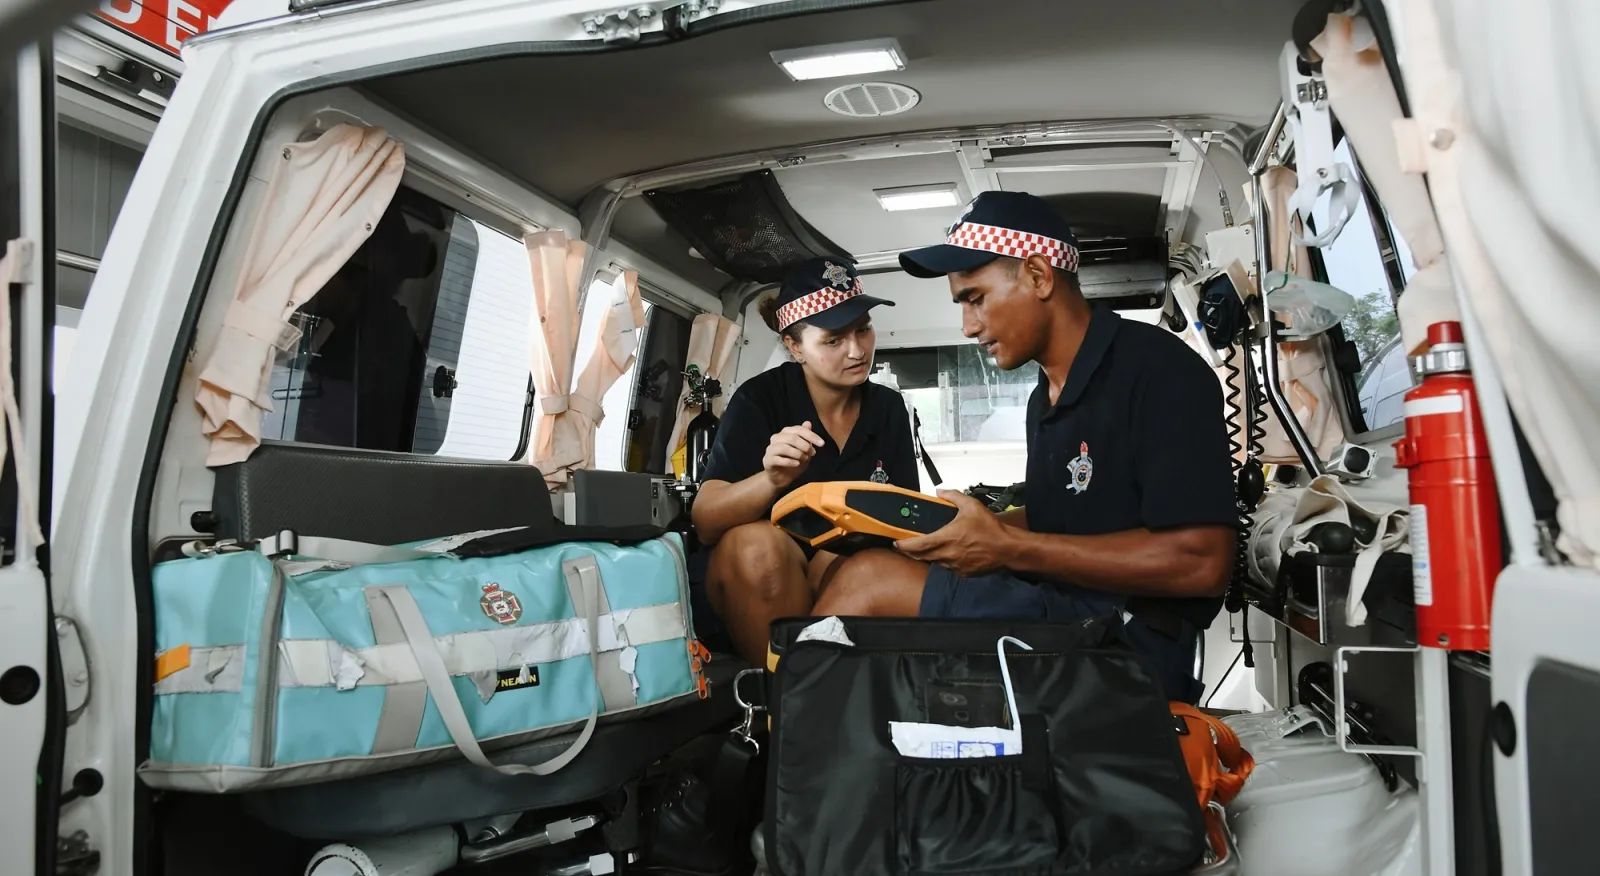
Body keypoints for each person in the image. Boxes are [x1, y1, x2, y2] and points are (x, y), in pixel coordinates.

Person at [812, 191, 1238, 703]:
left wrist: (1006, 547)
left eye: (975, 298)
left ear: (1038, 276)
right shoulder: (1047, 397)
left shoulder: (1158, 371)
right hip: (1065, 609)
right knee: (858, 564)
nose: (968, 326)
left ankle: (787, 760)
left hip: (1130, 642)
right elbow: (1059, 518)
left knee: (866, 584)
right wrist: (946, 526)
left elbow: (1204, 562)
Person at [692, 257, 920, 667]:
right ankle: (780, 699)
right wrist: (771, 478)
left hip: (854, 570)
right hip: (765, 574)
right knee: (755, 545)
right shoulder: (759, 400)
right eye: (833, 340)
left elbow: (906, 515)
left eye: (864, 329)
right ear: (795, 346)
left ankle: (830, 694)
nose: (857, 350)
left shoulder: (888, 408)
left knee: (870, 564)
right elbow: (706, 519)